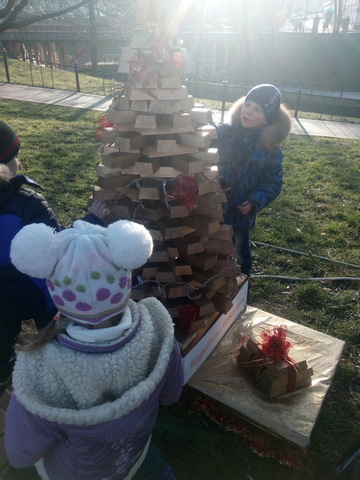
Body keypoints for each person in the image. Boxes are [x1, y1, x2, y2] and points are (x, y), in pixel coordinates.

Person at [5, 219, 184, 480]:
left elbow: (21, 453)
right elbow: (171, 395)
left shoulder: (39, 369)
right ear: (124, 279)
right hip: (133, 450)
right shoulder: (158, 332)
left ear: (58, 292)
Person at [0, 121, 106, 396]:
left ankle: (2, 378)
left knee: (0, 341)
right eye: (14, 157)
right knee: (53, 335)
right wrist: (92, 219)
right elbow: (59, 248)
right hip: (37, 293)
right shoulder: (28, 203)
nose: (19, 163)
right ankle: (60, 378)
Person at [215, 84, 292, 276]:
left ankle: (242, 285)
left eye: (257, 109)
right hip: (214, 207)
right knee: (213, 246)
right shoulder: (226, 133)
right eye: (247, 105)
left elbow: (273, 182)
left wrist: (255, 200)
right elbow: (205, 133)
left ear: (267, 120)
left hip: (241, 214)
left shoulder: (270, 150)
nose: (248, 111)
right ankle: (214, 280)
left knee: (240, 252)